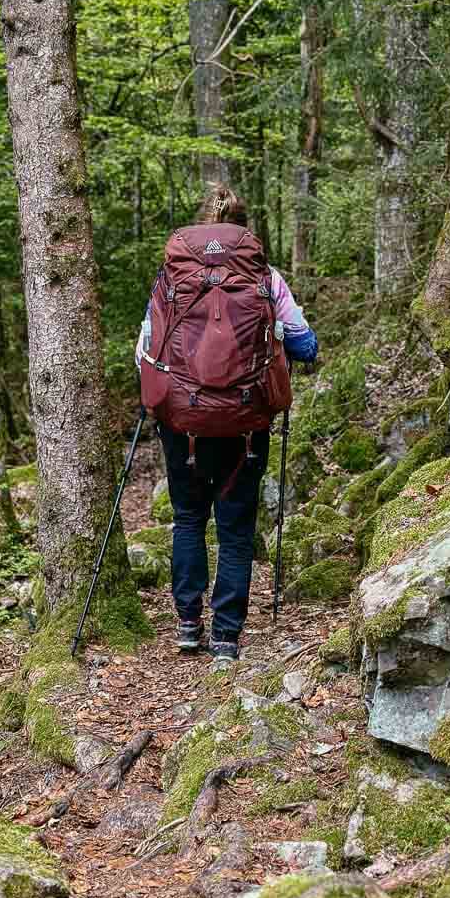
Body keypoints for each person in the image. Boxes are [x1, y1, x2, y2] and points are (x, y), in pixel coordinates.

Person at [135, 184, 318, 663]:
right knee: (236, 529)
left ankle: (189, 623)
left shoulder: (171, 278)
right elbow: (304, 343)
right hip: (245, 421)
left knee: (189, 518)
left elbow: (146, 350)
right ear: (244, 228)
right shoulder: (265, 277)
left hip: (183, 424)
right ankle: (227, 638)